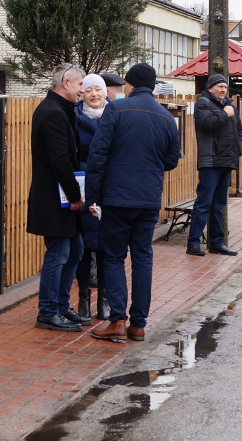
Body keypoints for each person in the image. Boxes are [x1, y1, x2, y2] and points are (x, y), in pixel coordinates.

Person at [87, 63, 181, 343]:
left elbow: (98, 154)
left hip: (116, 198)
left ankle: (117, 320)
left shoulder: (116, 110)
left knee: (114, 257)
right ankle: (138, 324)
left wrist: (92, 195)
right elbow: (171, 161)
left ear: (130, 85)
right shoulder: (166, 117)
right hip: (149, 198)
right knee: (142, 258)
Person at [27, 63, 86, 332]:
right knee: (59, 254)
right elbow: (59, 159)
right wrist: (75, 195)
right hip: (54, 198)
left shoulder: (61, 110)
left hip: (61, 196)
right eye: (79, 84)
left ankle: (61, 306)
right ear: (66, 82)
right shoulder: (52, 113)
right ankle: (48, 312)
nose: (82, 90)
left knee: (75, 250)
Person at [186, 74, 242, 257]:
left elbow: (239, 129)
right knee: (204, 203)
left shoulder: (230, 105)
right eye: (219, 86)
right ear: (210, 88)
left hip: (227, 160)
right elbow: (207, 124)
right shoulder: (203, 103)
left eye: (225, 87)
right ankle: (193, 242)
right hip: (210, 161)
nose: (223, 90)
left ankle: (216, 243)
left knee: (219, 204)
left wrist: (238, 149)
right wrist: (224, 113)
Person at [74, 73, 110, 324]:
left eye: (98, 89)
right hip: (83, 186)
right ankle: (84, 298)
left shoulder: (115, 115)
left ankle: (105, 299)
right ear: (82, 93)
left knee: (108, 246)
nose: (94, 94)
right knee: (84, 247)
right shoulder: (74, 118)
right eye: (89, 90)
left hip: (109, 187)